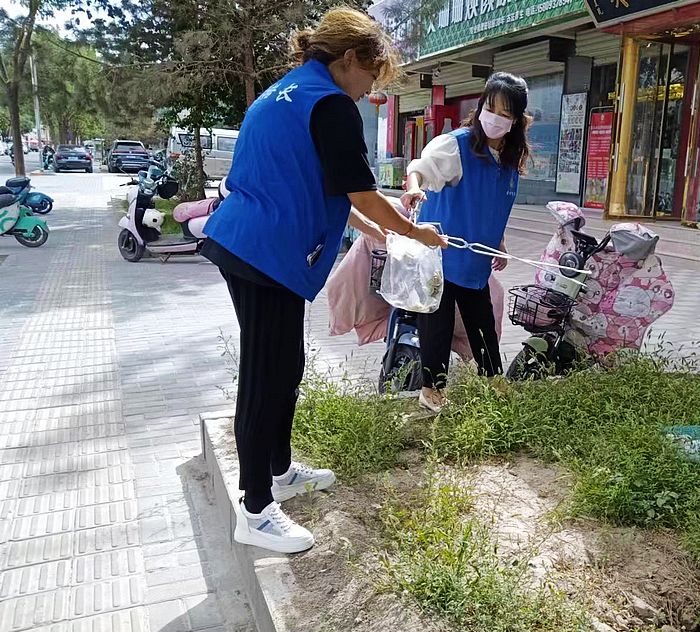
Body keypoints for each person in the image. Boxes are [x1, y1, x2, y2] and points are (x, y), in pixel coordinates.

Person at [201, 6, 445, 554]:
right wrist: (415, 232)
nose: (367, 92)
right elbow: (361, 191)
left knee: (285, 364)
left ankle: (280, 470)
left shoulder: (288, 91)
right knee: (265, 375)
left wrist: (377, 231)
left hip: (252, 242)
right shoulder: (330, 104)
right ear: (350, 59)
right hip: (265, 253)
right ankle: (255, 508)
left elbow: (324, 186)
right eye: (370, 78)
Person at [401, 72, 530, 412]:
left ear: (516, 120)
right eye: (490, 108)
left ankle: (494, 381)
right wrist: (414, 188)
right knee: (437, 324)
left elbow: (492, 206)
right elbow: (420, 169)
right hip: (440, 254)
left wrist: (499, 243)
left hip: (474, 260)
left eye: (504, 113)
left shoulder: (508, 160)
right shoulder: (456, 146)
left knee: (482, 321)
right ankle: (431, 389)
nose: (494, 118)